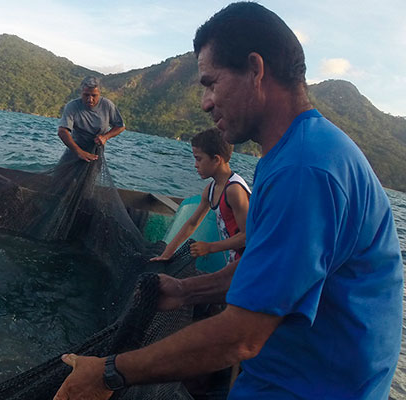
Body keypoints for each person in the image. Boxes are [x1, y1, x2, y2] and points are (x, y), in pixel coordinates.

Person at [54, 3, 403, 400]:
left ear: (255, 70)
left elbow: (241, 338)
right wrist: (189, 292)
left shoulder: (305, 169)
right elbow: (269, 273)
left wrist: (109, 373)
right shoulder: (295, 154)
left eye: (210, 82)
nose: (205, 102)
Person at [151, 128, 250, 265]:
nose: (195, 165)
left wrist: (210, 247)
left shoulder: (234, 190)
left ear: (216, 159)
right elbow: (192, 223)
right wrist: (166, 254)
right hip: (235, 260)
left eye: (199, 159)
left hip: (252, 261)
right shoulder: (210, 190)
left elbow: (247, 236)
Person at [57, 76, 125, 162]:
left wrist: (105, 137)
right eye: (86, 95)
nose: (90, 99)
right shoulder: (72, 106)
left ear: (99, 94)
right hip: (74, 152)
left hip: (95, 155)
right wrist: (79, 152)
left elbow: (120, 126)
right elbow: (62, 131)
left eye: (94, 95)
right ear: (81, 93)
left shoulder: (107, 105)